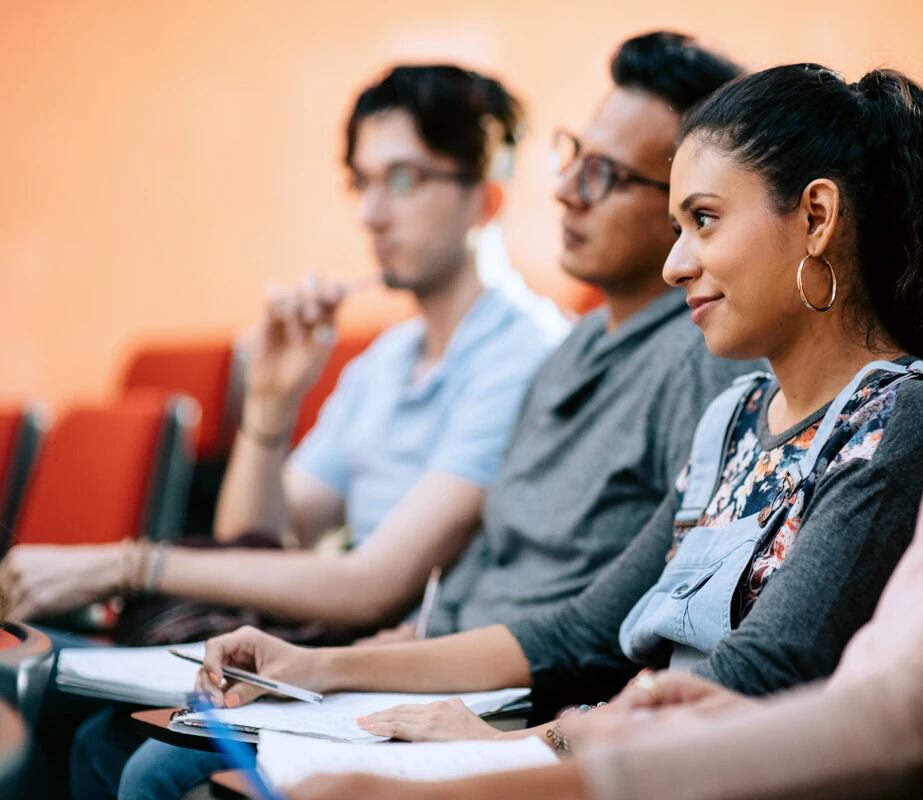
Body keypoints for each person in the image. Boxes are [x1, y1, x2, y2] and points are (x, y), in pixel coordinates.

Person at [282, 3, 923, 798]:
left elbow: (759, 676)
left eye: (704, 222)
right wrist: (313, 666)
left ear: (816, 217)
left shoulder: (902, 421)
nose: (676, 265)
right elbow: (579, 630)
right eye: (677, 226)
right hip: (627, 749)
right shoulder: (734, 418)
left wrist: (518, 751)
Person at [89, 31, 756, 800]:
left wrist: (132, 564)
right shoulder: (572, 351)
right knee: (123, 741)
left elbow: (626, 628)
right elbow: (287, 544)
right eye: (572, 155)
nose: (568, 189)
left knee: (155, 767)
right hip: (446, 663)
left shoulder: (686, 359)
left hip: (515, 698)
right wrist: (270, 412)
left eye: (604, 174)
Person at [0, 64, 567, 637]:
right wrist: (270, 404)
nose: (370, 215)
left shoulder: (528, 356)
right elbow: (253, 547)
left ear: (487, 199)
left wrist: (125, 566)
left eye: (402, 180)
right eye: (361, 182)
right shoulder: (386, 362)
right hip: (339, 663)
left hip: (425, 681)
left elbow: (373, 587)